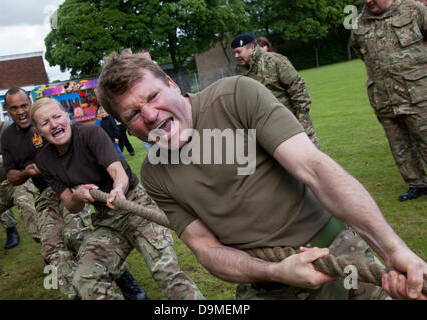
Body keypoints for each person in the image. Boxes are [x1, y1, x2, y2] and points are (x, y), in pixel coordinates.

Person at [95, 51, 427, 300]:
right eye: (134, 114)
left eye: (153, 97)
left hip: (338, 251)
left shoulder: (236, 96)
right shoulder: (154, 173)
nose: (151, 115)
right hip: (264, 282)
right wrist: (274, 271)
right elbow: (206, 249)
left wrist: (391, 249)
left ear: (171, 83)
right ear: (124, 127)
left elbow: (314, 169)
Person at [30, 98, 204, 300]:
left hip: (133, 204)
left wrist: (118, 190)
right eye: (44, 123)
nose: (54, 124)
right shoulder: (44, 161)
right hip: (106, 219)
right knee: (86, 278)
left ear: (67, 116)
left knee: (166, 271)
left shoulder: (90, 134)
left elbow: (117, 170)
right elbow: (70, 204)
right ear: (38, 131)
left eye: (57, 116)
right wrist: (77, 195)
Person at [1, 87, 147, 300]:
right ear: (8, 111)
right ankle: (77, 294)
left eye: (24, 105)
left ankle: (126, 282)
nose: (21, 111)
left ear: (30, 103)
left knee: (77, 236)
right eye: (14, 108)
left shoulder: (55, 122)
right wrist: (27, 171)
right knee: (51, 247)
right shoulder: (8, 137)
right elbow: (10, 175)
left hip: (75, 186)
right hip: (47, 192)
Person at [350, 0, 427, 201]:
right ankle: (416, 184)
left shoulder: (413, 10)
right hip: (384, 97)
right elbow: (361, 53)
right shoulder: (358, 23)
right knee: (399, 146)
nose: (368, 1)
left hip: (418, 94)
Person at [0, 103, 39, 280]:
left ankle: (52, 250)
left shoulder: (11, 129)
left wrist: (8, 158)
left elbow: (31, 150)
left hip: (20, 181)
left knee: (27, 208)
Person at [231, 33, 321, 149]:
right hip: (268, 129)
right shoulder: (240, 72)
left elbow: (299, 90)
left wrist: (302, 121)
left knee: (310, 159)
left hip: (292, 122)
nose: (236, 56)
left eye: (239, 51)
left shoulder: (275, 61)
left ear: (251, 48)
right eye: (234, 53)